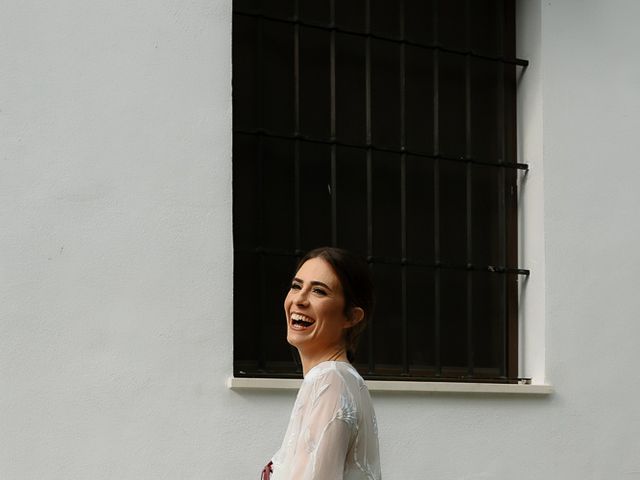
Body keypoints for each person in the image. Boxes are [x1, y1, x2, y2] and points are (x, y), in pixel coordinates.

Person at [263, 247, 382, 480]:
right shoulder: (342, 379)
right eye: (296, 286)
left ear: (351, 317)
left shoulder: (329, 380)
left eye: (319, 291)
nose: (299, 299)